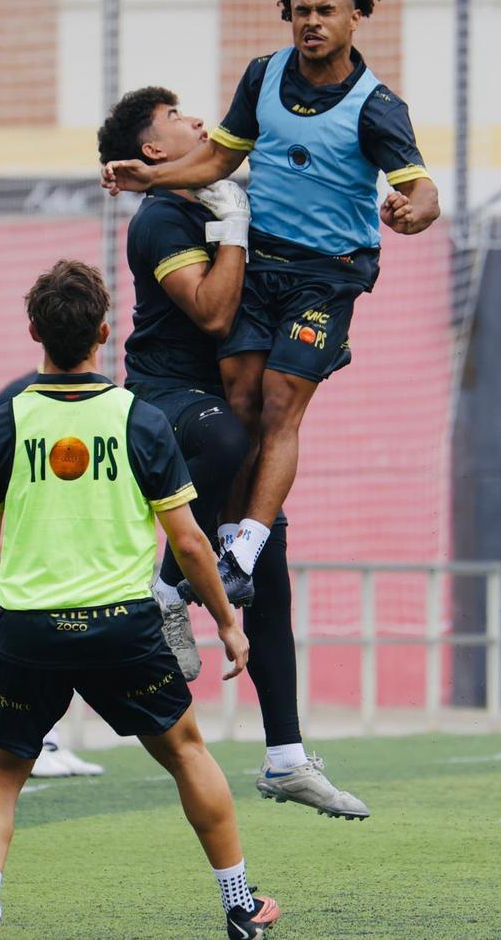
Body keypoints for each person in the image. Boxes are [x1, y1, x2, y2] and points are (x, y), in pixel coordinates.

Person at [102, 0, 440, 604]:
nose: (311, 21)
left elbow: (423, 190)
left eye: (326, 11)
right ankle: (225, 537)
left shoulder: (376, 107)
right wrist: (152, 175)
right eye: (301, 11)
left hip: (328, 274)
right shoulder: (262, 77)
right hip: (265, 262)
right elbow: (217, 159)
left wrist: (413, 211)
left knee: (282, 398)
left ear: (355, 18)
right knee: (241, 395)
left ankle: (243, 553)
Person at [0, 260, 279, 939]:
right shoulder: (139, 418)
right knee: (187, 752)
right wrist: (228, 620)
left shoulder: (2, 424)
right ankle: (240, 905)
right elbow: (190, 543)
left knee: (1, 770)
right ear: (105, 331)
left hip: (31, 629)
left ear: (33, 332)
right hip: (122, 628)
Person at [97, 86, 369, 820]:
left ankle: (286, 759)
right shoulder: (163, 216)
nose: (197, 120)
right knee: (227, 433)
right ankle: (164, 592)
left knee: (268, 567)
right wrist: (238, 224)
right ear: (154, 150)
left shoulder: (222, 190)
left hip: (231, 399)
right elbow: (216, 311)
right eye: (178, 118)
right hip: (170, 402)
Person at [0, 377, 105, 779]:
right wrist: (26, 487)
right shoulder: (25, 391)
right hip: (40, 547)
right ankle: (41, 742)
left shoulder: (106, 398)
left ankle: (51, 739)